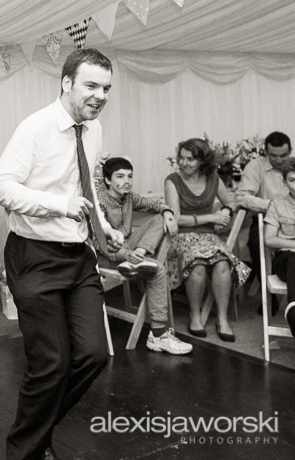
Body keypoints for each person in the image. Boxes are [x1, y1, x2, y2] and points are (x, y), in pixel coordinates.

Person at [0, 48, 124, 460]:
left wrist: (104, 226)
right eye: (91, 85)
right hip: (33, 256)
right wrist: (58, 205)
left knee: (93, 355)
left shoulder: (93, 129)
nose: (100, 96)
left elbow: (84, 186)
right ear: (66, 83)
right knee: (51, 364)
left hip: (79, 255)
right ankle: (25, 451)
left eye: (106, 88)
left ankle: (36, 432)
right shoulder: (36, 127)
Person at [95, 157, 191, 355]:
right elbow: (99, 243)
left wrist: (167, 212)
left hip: (129, 250)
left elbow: (154, 204)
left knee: (158, 219)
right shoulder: (99, 202)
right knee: (158, 269)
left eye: (129, 176)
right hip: (106, 256)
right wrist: (126, 254)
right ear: (108, 180)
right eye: (120, 176)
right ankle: (158, 335)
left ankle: (139, 257)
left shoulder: (129, 197)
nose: (126, 181)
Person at [164, 138, 250, 343]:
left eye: (190, 159)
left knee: (223, 262)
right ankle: (195, 316)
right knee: (198, 264)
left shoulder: (213, 178)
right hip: (181, 235)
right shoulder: (172, 180)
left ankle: (222, 319)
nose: (183, 163)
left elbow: (232, 201)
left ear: (203, 161)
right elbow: (175, 218)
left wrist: (226, 211)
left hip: (208, 236)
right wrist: (212, 217)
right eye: (181, 158)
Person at [236, 131, 292, 308]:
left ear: (290, 151)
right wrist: (274, 206)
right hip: (265, 219)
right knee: (256, 242)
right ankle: (269, 295)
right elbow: (242, 197)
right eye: (273, 155)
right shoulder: (255, 166)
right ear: (266, 152)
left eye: (283, 155)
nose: (279, 160)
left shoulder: (293, 166)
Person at [260, 157, 295, 337]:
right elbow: (269, 240)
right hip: (286, 258)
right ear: (284, 182)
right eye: (292, 180)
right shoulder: (277, 204)